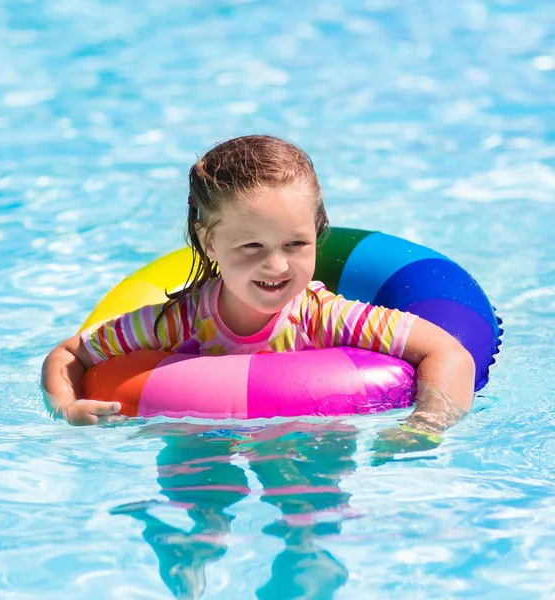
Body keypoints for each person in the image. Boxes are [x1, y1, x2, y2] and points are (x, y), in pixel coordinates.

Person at [42, 135, 475, 445]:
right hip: (207, 443)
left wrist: (426, 423)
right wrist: (66, 409)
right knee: (195, 493)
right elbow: (69, 355)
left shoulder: (328, 316)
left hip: (307, 446)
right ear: (210, 242)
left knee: (308, 511)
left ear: (316, 234)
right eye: (252, 246)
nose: (277, 265)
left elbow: (449, 351)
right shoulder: (180, 320)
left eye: (296, 244)